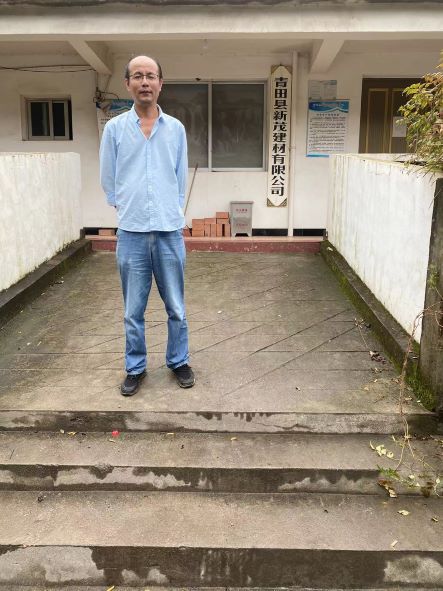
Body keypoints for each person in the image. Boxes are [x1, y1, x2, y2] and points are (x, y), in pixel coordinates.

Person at [99, 55, 195, 395]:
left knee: (176, 307)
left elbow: (179, 177)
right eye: (137, 76)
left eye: (151, 76)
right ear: (127, 84)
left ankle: (179, 360)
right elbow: (108, 178)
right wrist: (125, 205)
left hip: (169, 231)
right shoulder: (114, 129)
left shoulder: (176, 129)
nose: (145, 82)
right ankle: (135, 367)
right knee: (132, 311)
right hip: (132, 233)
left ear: (160, 83)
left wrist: (171, 209)